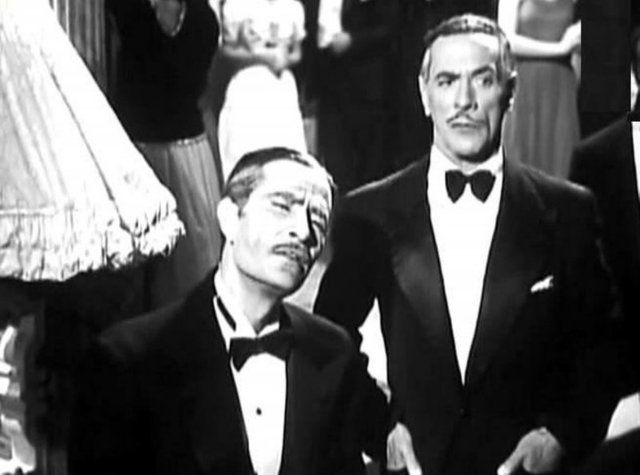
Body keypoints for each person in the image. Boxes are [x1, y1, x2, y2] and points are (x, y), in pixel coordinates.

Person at [315, 14, 617, 475]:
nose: (464, 101)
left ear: (510, 92)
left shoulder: (568, 211)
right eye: (447, 81)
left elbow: (604, 346)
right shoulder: (369, 212)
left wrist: (561, 435)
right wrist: (379, 427)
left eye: (483, 80)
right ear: (424, 94)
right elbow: (327, 339)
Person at [68, 147, 388, 475]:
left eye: (318, 219)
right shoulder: (130, 358)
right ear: (229, 217)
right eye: (282, 206)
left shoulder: (333, 354)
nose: (303, 231)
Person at [106, 0, 222, 309]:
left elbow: (201, 94)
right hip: (135, 156)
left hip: (186, 154)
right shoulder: (131, 10)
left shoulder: (202, 19)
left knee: (190, 267)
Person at [302, 0, 399, 192]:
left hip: (366, 85)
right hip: (327, 83)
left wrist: (353, 41)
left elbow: (390, 26)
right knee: (335, 165)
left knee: (371, 169)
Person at [217, 0, 308, 178]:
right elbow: (226, 52)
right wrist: (262, 58)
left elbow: (297, 52)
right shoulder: (236, 5)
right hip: (247, 87)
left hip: (281, 88)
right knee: (245, 153)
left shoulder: (292, 7)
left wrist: (284, 59)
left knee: (287, 156)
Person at [498, 0, 581, 178]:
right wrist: (560, 49)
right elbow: (506, 41)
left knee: (560, 165)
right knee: (521, 164)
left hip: (560, 89)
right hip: (524, 88)